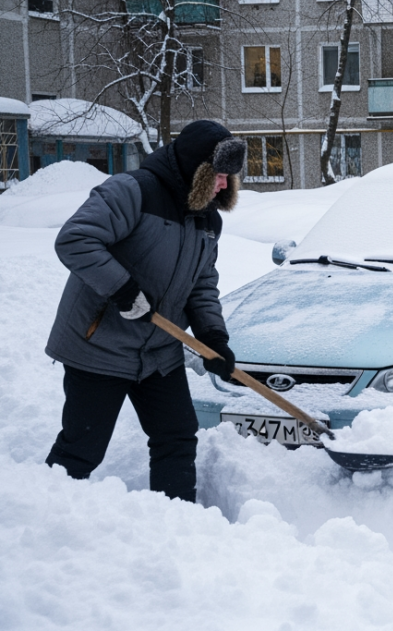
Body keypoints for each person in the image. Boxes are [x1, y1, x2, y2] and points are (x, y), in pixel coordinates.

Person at [44, 120, 247, 503]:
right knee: (82, 448)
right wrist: (123, 290)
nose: (224, 185)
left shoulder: (207, 219)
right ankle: (42, 519)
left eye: (228, 178)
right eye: (219, 175)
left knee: (176, 437)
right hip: (98, 345)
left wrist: (213, 337)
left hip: (159, 352)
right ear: (197, 170)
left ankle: (175, 522)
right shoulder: (132, 191)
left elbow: (201, 282)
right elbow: (75, 239)